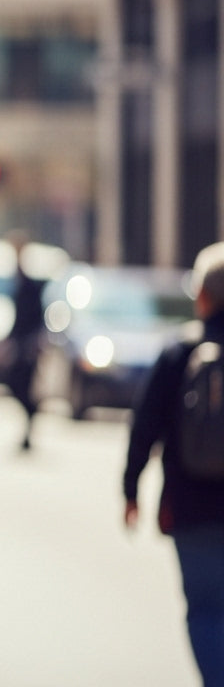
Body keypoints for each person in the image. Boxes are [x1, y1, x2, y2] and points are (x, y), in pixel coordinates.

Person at [125, 241, 224, 687]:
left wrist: (130, 490)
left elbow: (144, 427)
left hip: (191, 507)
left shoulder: (179, 353)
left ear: (202, 296)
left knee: (206, 611)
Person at [6, 230, 45, 451]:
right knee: (15, 384)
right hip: (21, 342)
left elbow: (32, 314)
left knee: (21, 384)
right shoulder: (17, 277)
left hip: (28, 345)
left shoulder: (30, 282)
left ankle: (31, 422)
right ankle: (29, 425)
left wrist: (33, 341)